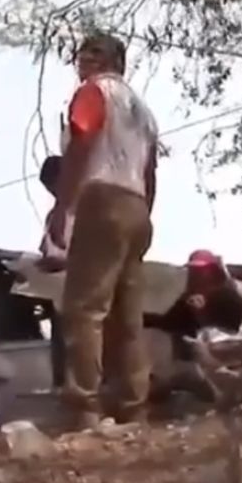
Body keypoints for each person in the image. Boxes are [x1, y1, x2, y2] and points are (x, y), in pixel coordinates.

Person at [44, 33, 160, 429]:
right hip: (136, 204)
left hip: (101, 197)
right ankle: (132, 406)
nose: (82, 60)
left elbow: (81, 141)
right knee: (127, 317)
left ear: (106, 61)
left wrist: (63, 205)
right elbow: (150, 171)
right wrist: (146, 213)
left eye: (90, 53)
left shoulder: (94, 93)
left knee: (84, 308)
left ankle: (83, 406)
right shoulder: (142, 110)